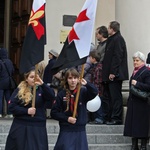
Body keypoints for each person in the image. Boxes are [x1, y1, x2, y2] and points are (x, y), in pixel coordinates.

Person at [5, 67, 55, 150]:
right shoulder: (19, 90)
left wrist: (42, 84)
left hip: (37, 127)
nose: (34, 79)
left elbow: (52, 97)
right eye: (31, 77)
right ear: (26, 79)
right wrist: (26, 111)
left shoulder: (42, 89)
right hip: (21, 126)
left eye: (36, 77)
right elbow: (11, 107)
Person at [51, 68, 98, 150]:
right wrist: (67, 118)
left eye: (75, 78)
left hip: (79, 130)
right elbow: (54, 113)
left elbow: (94, 92)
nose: (73, 81)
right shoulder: (62, 94)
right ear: (66, 80)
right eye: (70, 78)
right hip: (66, 129)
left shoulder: (82, 92)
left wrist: (86, 84)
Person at [102, 21, 129, 125]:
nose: (107, 30)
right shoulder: (112, 39)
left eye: (108, 28)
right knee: (109, 96)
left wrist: (113, 72)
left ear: (112, 29)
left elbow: (117, 56)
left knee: (115, 96)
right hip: (109, 74)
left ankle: (116, 118)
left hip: (115, 75)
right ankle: (109, 116)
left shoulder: (118, 39)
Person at [124, 51, 150, 150]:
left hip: (142, 103)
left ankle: (143, 145)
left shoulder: (146, 71)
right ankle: (134, 145)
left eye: (137, 60)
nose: (135, 62)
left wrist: (137, 83)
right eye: (134, 60)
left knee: (142, 125)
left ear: (142, 61)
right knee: (133, 124)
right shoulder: (135, 71)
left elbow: (148, 86)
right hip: (133, 102)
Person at [87, 50, 104, 124]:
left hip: (97, 89)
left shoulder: (98, 68)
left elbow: (97, 80)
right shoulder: (95, 67)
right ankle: (95, 118)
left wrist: (95, 90)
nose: (89, 59)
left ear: (93, 58)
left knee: (98, 104)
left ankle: (99, 118)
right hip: (95, 89)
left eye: (90, 57)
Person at [0, 48, 15, 118]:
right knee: (8, 98)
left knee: (0, 98)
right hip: (8, 83)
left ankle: (0, 113)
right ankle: (10, 113)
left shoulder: (0, 62)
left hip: (1, 83)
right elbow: (13, 71)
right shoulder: (10, 62)